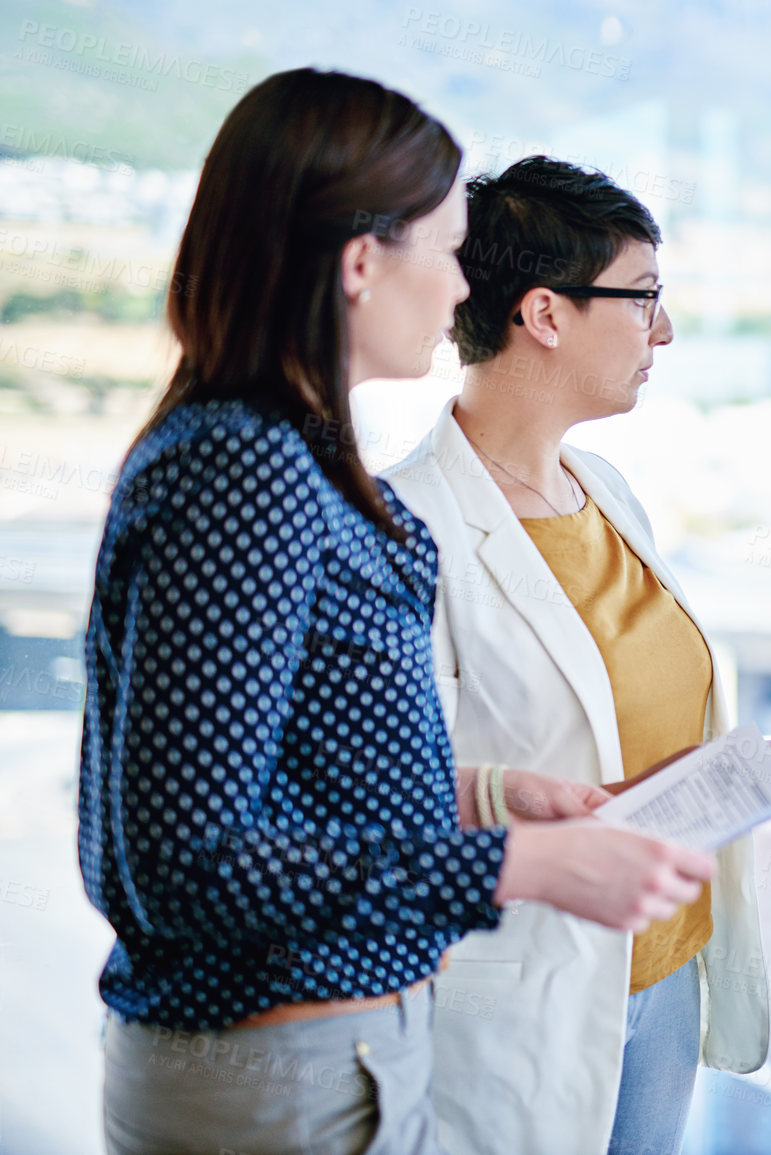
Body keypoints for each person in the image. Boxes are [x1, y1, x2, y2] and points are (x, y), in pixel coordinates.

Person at [79, 71, 713, 1155]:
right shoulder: (243, 468)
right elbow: (187, 861)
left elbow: (291, 770)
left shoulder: (287, 456)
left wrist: (500, 796)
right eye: (448, 248)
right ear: (363, 263)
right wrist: (519, 863)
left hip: (332, 1054)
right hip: (280, 1068)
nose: (464, 285)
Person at [381, 156, 771, 1155]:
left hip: (663, 968)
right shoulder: (404, 525)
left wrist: (749, 779)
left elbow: (620, 730)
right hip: (516, 1000)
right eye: (644, 300)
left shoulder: (606, 490)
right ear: (545, 314)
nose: (662, 332)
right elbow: (382, 795)